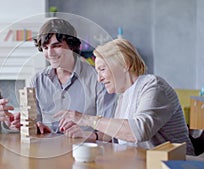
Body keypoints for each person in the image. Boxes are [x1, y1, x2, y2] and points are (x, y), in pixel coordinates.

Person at [55, 38, 195, 155]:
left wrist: (85, 119)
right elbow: (118, 133)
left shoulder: (153, 85)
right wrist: (92, 135)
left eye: (102, 69)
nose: (99, 79)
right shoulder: (124, 95)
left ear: (125, 64)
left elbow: (137, 132)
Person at [31, 18, 116, 140]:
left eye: (57, 46)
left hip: (87, 152)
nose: (50, 53)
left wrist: (88, 135)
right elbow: (34, 123)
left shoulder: (98, 79)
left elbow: (111, 131)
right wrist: (36, 126)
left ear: (71, 46)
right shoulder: (38, 81)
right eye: (45, 47)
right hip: (48, 152)